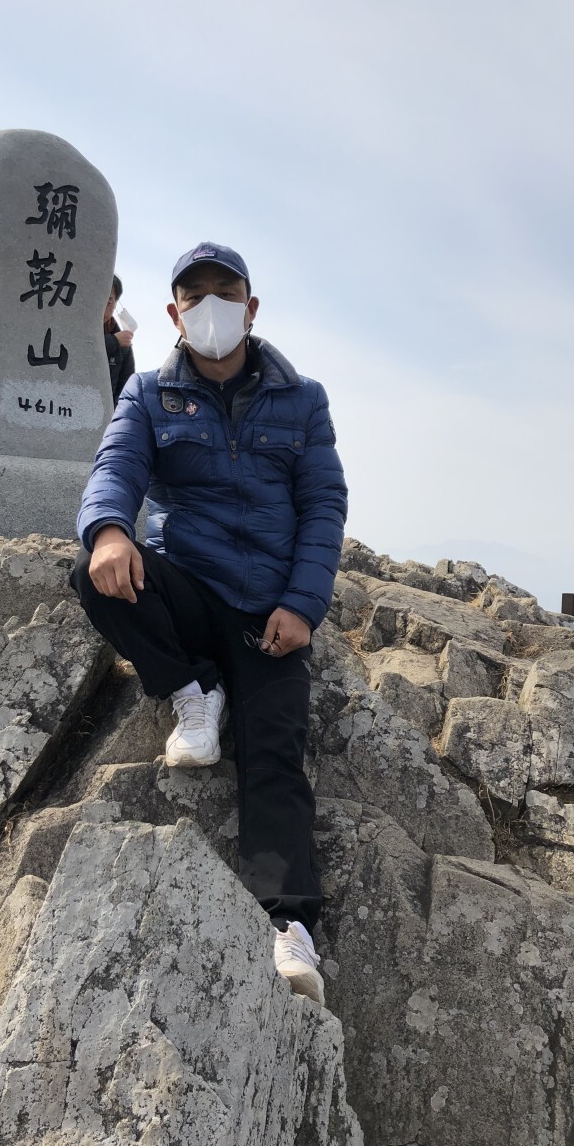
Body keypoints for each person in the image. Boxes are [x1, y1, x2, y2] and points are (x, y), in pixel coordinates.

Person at [71, 242, 347, 1004]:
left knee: (274, 749)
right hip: (189, 587)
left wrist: (303, 605)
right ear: (175, 313)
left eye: (226, 291)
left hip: (268, 611)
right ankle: (193, 689)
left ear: (251, 307)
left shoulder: (303, 398)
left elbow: (323, 505)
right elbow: (116, 467)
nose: (211, 307)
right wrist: (110, 531)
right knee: (94, 574)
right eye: (195, 296)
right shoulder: (149, 393)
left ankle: (289, 926)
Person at [103, 273, 136, 406]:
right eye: (98, 299)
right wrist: (113, 342)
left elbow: (126, 390)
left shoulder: (124, 344)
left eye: (108, 301)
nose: (102, 306)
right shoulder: (74, 328)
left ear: (116, 303)